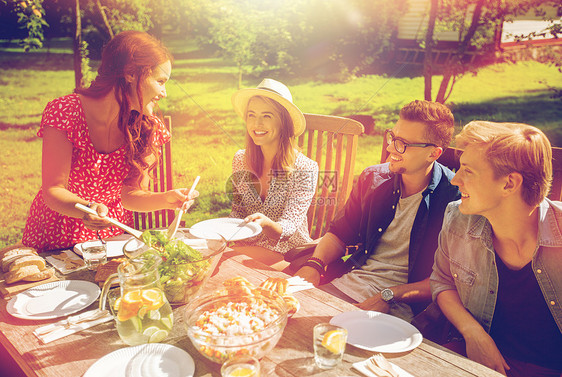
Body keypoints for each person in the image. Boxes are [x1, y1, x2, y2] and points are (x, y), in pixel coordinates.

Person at [21, 31, 197, 252]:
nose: (164, 92)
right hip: (53, 237)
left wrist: (167, 199)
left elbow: (130, 195)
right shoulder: (65, 112)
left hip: (110, 239)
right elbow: (53, 190)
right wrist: (87, 209)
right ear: (131, 73)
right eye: (160, 81)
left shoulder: (148, 127)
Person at [295, 100, 460, 321]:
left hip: (404, 310)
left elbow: (449, 280)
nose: (391, 148)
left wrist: (389, 296)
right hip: (346, 285)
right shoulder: (373, 178)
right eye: (392, 137)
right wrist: (313, 266)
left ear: (433, 153)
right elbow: (339, 234)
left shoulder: (455, 199)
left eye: (403, 144)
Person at [430, 121, 562, 377]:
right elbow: (442, 281)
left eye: (467, 171)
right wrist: (473, 333)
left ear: (509, 184)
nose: (455, 179)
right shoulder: (457, 218)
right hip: (472, 363)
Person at [229, 78, 318, 269]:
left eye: (267, 116)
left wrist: (267, 224)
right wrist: (223, 234)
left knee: (227, 263)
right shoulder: (240, 160)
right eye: (251, 115)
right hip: (248, 244)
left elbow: (289, 227)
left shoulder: (305, 168)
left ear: (284, 122)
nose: (257, 124)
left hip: (290, 253)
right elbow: (237, 212)